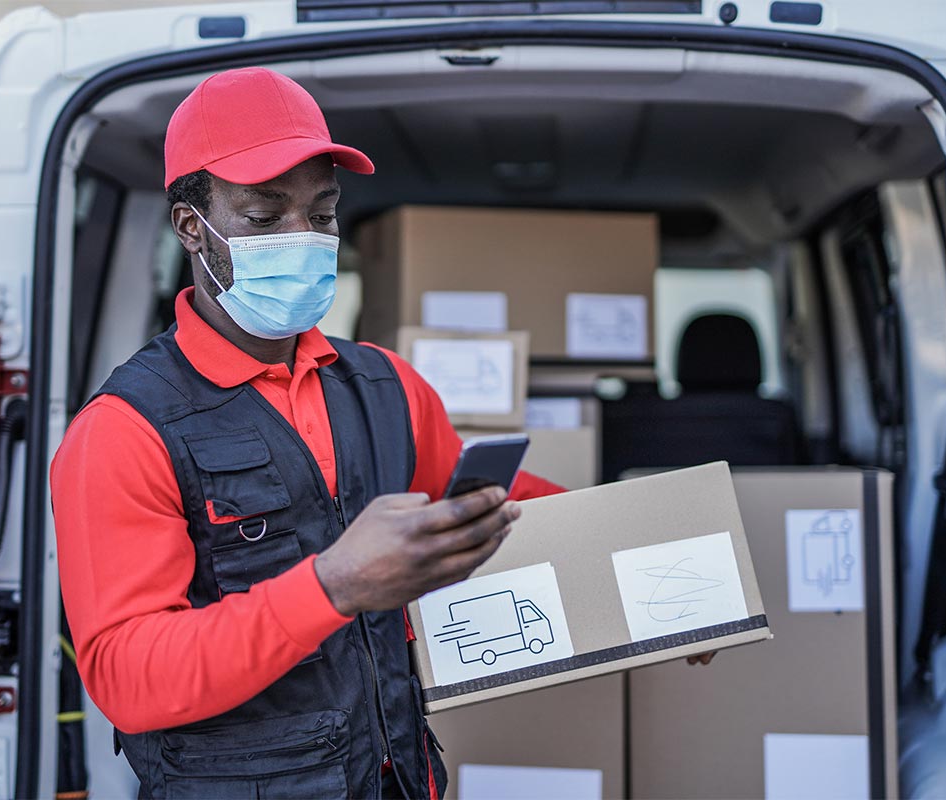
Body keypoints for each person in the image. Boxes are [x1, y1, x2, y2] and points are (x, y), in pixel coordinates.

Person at [50, 66, 564, 799]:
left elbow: (498, 503)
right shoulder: (123, 431)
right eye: (264, 217)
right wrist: (332, 586)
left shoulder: (386, 386)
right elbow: (129, 676)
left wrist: (654, 572)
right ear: (192, 226)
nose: (302, 238)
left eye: (321, 215)